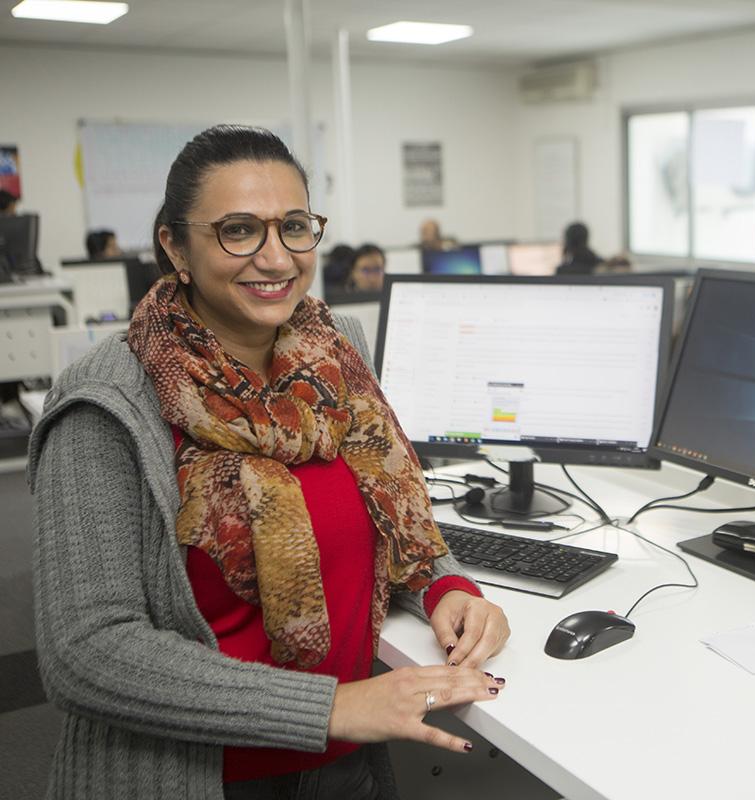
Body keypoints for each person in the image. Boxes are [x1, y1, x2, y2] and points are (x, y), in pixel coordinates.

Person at [28, 125, 509, 800]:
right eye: (238, 231)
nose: (277, 257)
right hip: (201, 779)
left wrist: (444, 584)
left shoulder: (335, 350)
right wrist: (332, 707)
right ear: (175, 247)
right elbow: (87, 652)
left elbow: (387, 508)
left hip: (344, 765)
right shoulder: (108, 401)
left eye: (294, 227)